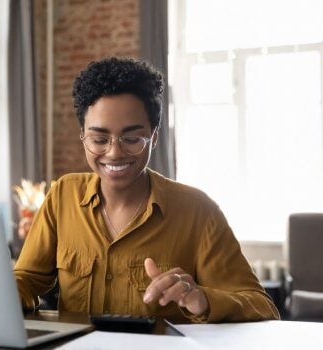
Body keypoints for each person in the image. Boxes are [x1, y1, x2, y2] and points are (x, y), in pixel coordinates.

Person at [14, 57, 279, 322]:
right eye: (99, 139)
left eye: (131, 138)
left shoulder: (198, 211)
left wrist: (202, 299)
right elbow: (26, 280)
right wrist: (7, 293)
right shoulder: (63, 196)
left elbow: (263, 307)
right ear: (82, 136)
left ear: (154, 136)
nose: (114, 152)